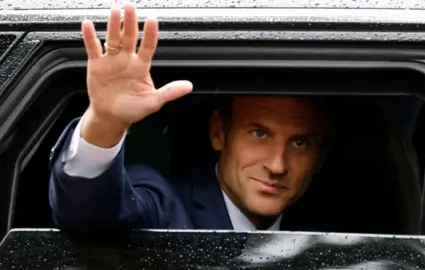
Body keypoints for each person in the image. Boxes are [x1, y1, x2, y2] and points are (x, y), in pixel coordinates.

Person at [48, 2, 332, 232]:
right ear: (219, 133)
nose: (277, 164)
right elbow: (87, 216)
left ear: (320, 158)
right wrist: (105, 122)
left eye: (299, 143)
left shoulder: (336, 232)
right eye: (259, 133)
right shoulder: (165, 209)